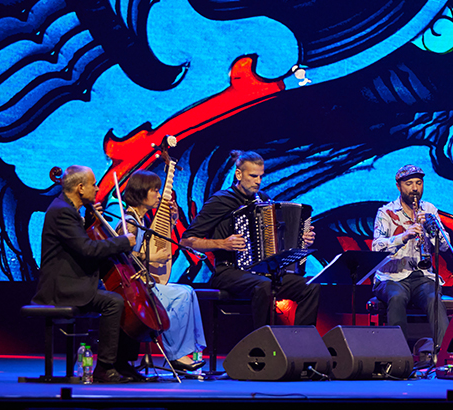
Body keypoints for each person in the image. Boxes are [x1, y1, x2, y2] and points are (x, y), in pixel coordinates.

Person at [181, 150, 320, 329]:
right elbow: (187, 240)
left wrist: (301, 240)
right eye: (253, 176)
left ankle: (301, 342)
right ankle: (263, 344)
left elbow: (279, 242)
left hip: (265, 273)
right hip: (228, 272)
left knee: (310, 286)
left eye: (261, 176)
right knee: (263, 286)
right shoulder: (220, 201)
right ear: (238, 174)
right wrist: (222, 243)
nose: (258, 181)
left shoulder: (264, 200)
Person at [32, 165, 142, 384]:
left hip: (74, 282)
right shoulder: (62, 211)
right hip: (61, 288)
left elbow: (81, 243)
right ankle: (104, 367)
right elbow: (87, 249)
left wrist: (90, 219)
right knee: (114, 302)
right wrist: (122, 241)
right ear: (80, 188)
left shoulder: (69, 210)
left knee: (126, 301)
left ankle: (121, 363)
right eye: (94, 184)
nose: (98, 188)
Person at [120, 170, 207, 371]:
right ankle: (176, 355)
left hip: (143, 283)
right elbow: (120, 254)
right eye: (154, 190)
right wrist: (148, 258)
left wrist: (173, 219)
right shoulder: (130, 223)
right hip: (134, 289)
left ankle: (193, 350)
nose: (159, 195)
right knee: (181, 296)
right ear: (141, 192)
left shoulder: (140, 220)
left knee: (188, 291)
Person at [371, 165, 452, 350]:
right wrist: (404, 236)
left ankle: (446, 354)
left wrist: (431, 228)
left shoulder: (430, 209)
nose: (415, 188)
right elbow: (376, 248)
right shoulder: (386, 212)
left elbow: (446, 246)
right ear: (399, 186)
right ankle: (399, 354)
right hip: (392, 276)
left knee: (434, 298)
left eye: (419, 183)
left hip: (422, 276)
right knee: (397, 296)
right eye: (409, 184)